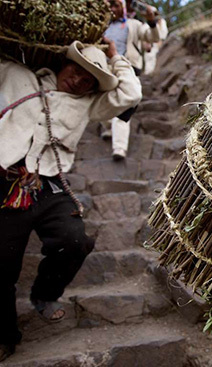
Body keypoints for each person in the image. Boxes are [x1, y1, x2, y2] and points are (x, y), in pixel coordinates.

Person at [0, 40, 142, 362]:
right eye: (76, 71)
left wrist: (116, 57)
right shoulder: (19, 75)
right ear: (63, 64)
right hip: (7, 182)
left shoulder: (90, 104)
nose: (78, 81)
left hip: (50, 184)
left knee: (75, 241)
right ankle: (5, 336)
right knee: (2, 265)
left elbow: (131, 93)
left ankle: (44, 295)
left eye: (88, 80)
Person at [101, 0, 160, 160]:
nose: (113, 9)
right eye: (110, 6)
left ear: (124, 7)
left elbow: (153, 37)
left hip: (127, 67)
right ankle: (107, 126)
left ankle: (119, 148)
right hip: (105, 68)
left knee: (125, 105)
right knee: (106, 99)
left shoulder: (134, 24)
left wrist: (151, 21)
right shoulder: (103, 26)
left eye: (116, 5)